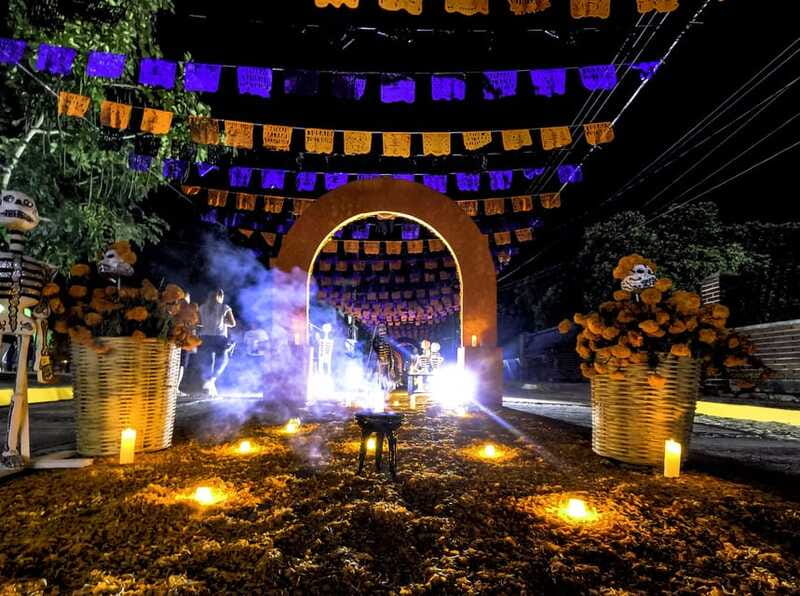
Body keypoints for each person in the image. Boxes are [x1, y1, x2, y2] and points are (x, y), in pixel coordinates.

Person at [198, 288, 236, 397]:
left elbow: (200, 323)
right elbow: (233, 323)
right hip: (219, 338)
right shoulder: (224, 307)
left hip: (204, 337)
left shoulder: (202, 307)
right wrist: (223, 322)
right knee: (223, 360)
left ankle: (210, 387)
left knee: (208, 363)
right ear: (220, 296)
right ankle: (212, 380)